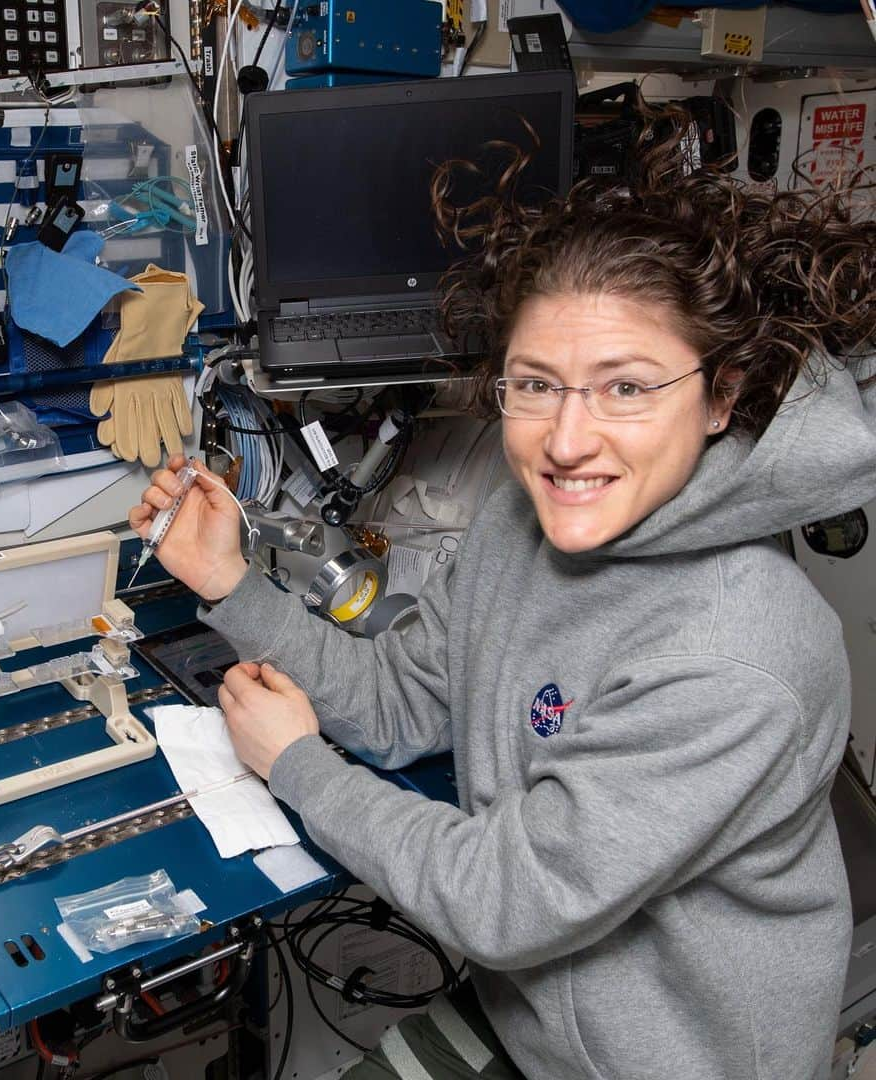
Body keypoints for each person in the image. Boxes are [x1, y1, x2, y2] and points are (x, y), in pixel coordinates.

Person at [130, 114, 876, 1079]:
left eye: (626, 389)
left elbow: (504, 901)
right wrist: (228, 582)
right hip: (526, 1013)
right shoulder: (522, 525)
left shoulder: (736, 651)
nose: (567, 441)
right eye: (536, 385)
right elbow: (405, 705)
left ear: (723, 396)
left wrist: (299, 767)